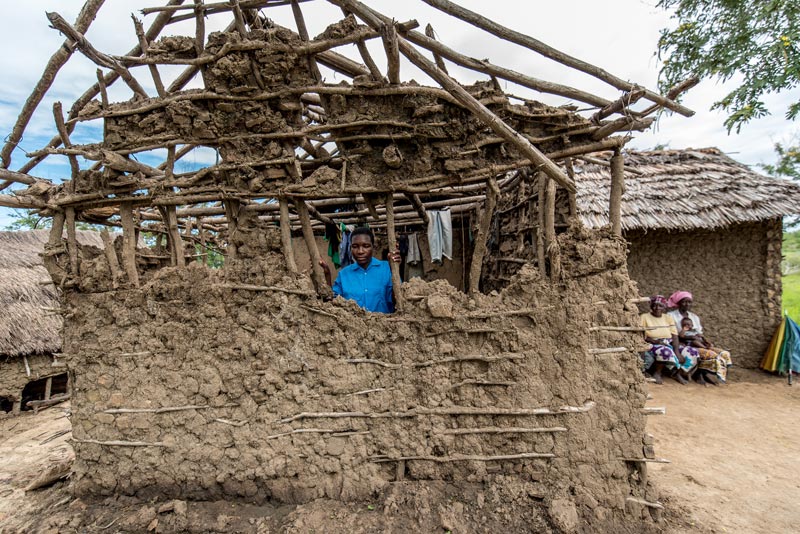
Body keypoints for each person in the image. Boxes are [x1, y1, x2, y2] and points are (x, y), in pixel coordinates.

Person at [319, 227, 399, 314]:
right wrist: (327, 274)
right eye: (355, 246)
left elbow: (398, 300)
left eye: (366, 246)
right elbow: (331, 304)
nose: (360, 251)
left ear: (373, 246)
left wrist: (394, 268)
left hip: (383, 325)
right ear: (350, 248)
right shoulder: (344, 274)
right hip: (354, 326)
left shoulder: (387, 268)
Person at [668, 291, 733, 384]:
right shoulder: (671, 316)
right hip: (681, 343)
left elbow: (699, 333)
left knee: (724, 354)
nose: (687, 304)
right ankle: (695, 374)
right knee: (711, 354)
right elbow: (673, 334)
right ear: (678, 303)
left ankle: (701, 374)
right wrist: (689, 338)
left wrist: (706, 341)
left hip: (698, 342)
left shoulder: (694, 317)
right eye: (684, 302)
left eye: (689, 302)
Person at [640, 295, 698, 384]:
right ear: (651, 306)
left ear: (664, 307)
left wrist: (677, 351)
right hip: (653, 343)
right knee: (665, 351)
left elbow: (674, 335)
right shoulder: (644, 317)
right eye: (654, 305)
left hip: (668, 342)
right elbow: (640, 334)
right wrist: (654, 341)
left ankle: (678, 373)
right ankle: (657, 373)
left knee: (692, 352)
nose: (657, 308)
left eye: (660, 305)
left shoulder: (668, 318)